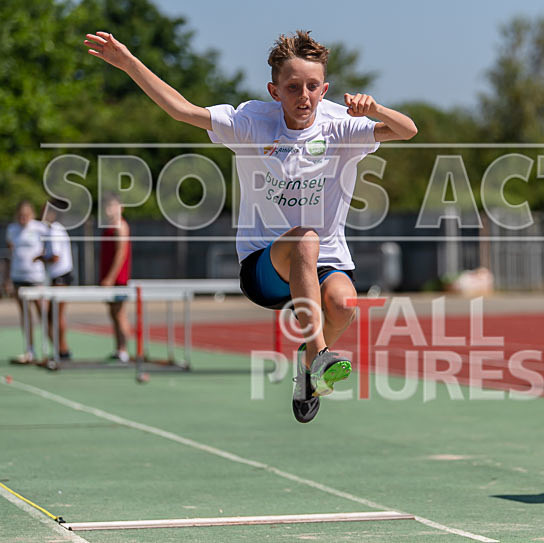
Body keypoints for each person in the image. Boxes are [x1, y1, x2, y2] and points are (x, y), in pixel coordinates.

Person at [84, 30, 417, 423]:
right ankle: (320, 356)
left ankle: (307, 370)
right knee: (304, 241)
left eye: (313, 87)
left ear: (324, 88)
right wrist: (129, 63)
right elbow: (180, 110)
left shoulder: (339, 124)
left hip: (326, 261)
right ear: (275, 91)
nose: (304, 97)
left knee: (345, 304)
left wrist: (375, 109)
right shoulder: (251, 122)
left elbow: (407, 130)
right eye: (293, 87)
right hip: (264, 264)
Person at [5, 200, 47, 364]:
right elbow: (11, 254)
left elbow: (47, 250)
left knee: (42, 312)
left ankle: (48, 349)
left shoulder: (39, 228)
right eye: (20, 215)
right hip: (18, 277)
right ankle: (30, 350)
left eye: (26, 215)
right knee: (25, 314)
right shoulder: (12, 229)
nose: (23, 218)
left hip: (36, 277)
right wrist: (7, 279)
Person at [36, 200, 75, 360]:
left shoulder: (55, 231)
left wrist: (39, 258)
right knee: (53, 315)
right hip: (56, 277)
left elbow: (56, 257)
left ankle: (63, 349)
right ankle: (61, 349)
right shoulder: (50, 230)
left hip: (61, 277)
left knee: (57, 315)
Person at [98, 193, 132, 363]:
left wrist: (111, 278)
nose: (109, 210)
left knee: (119, 314)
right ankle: (118, 348)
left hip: (118, 279)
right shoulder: (108, 226)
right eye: (107, 206)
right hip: (109, 277)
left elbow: (121, 253)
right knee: (113, 313)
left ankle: (124, 349)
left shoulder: (121, 226)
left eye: (112, 206)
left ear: (121, 207)